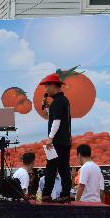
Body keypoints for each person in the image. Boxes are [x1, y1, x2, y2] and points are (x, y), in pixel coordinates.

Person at [40, 73, 72, 203]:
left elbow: (56, 121)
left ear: (54, 85)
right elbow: (50, 117)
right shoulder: (62, 101)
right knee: (63, 168)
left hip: (57, 141)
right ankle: (65, 194)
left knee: (51, 167)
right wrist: (46, 107)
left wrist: (50, 138)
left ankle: (46, 194)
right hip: (63, 141)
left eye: (47, 85)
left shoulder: (58, 102)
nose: (46, 89)